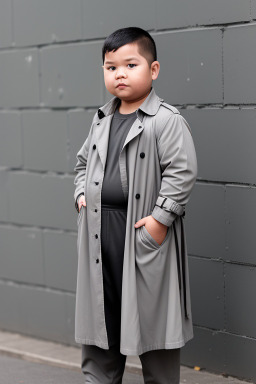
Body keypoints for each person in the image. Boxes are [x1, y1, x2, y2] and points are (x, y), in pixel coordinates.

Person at [73, 26, 197, 384]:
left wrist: (159, 221)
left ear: (153, 70)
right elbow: (82, 164)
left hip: (142, 236)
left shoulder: (166, 121)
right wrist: (81, 194)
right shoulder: (102, 119)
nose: (120, 74)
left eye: (130, 64)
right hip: (101, 235)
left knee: (152, 327)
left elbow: (182, 172)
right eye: (111, 67)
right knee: (102, 322)